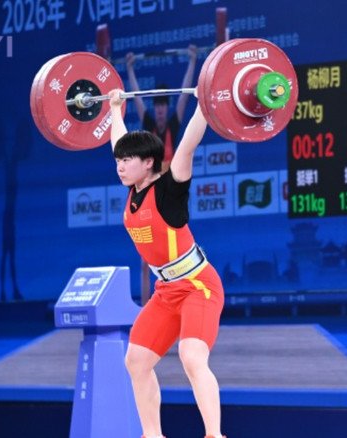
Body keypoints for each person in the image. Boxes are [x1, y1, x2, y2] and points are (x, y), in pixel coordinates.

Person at [108, 87, 226, 438]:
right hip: (166, 292)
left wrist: (205, 104)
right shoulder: (133, 190)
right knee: (136, 361)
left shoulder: (170, 188)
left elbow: (188, 143)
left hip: (198, 286)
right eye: (118, 160)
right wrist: (115, 109)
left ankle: (214, 435)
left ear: (149, 162)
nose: (120, 166)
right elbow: (119, 141)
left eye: (127, 160)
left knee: (191, 356)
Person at [126, 45, 198, 174]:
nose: (160, 109)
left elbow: (183, 97)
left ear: (167, 107)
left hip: (171, 180)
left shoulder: (173, 126)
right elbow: (137, 98)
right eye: (157, 106)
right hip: (153, 179)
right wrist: (129, 68)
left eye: (163, 106)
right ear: (154, 108)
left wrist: (192, 61)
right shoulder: (149, 126)